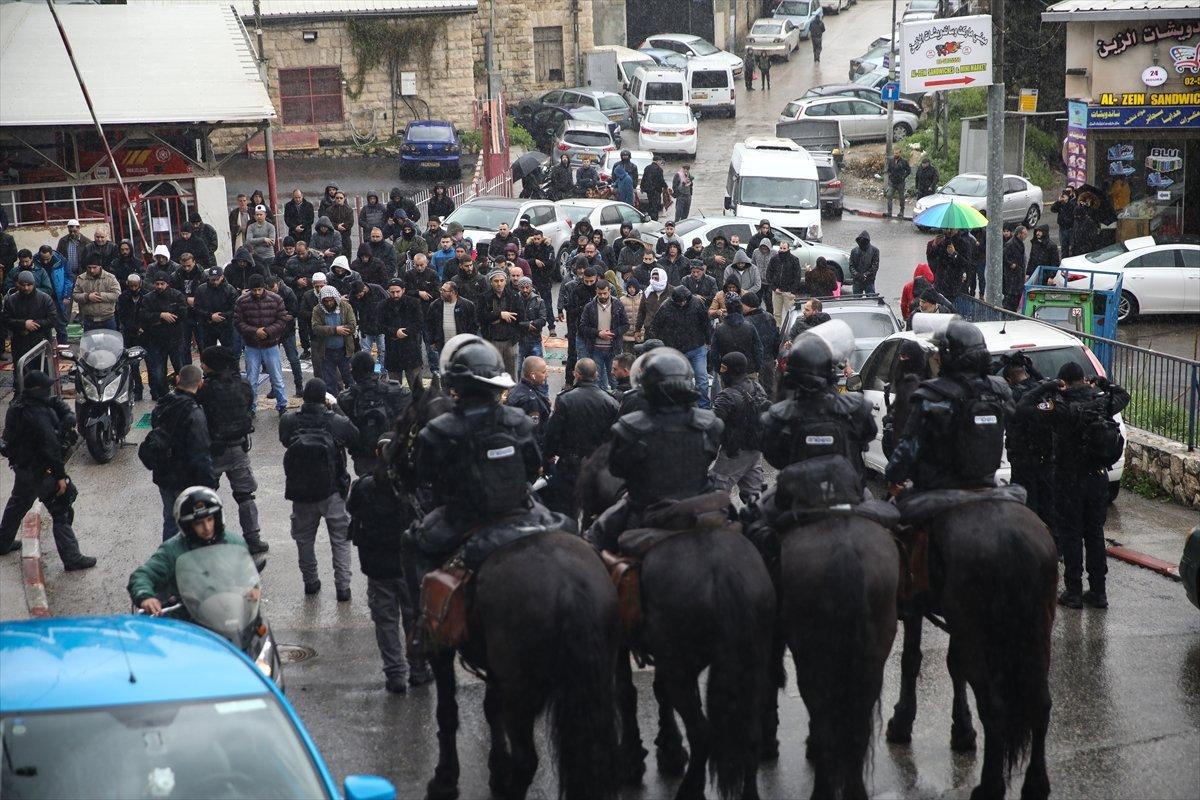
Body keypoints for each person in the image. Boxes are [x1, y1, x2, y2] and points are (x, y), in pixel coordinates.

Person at [589, 348, 724, 552]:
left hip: (646, 508)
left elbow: (617, 470)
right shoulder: (711, 424)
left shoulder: (629, 427)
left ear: (647, 387)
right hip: (700, 505)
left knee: (594, 538)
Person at [1022, 363, 1129, 609]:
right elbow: (1124, 395)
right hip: (1097, 478)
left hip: (1069, 480)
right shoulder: (1101, 402)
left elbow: (1025, 406)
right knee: (1094, 533)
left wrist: (1047, 386)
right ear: (1083, 379)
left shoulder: (1060, 407)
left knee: (1071, 534)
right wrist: (1102, 383)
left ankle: (1073, 592)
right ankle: (1099, 592)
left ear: (1064, 382)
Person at [885, 319, 1012, 494]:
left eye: (940, 352)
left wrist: (893, 476)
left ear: (949, 356)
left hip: (938, 491)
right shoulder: (999, 391)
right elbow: (1017, 430)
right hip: (988, 486)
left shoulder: (931, 396)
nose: (936, 357)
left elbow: (908, 447)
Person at [347, 434, 422, 692]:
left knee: (386, 620)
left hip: (377, 566)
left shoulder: (363, 485)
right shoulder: (411, 484)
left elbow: (352, 509)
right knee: (414, 617)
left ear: (377, 454)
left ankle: (395, 674)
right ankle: (418, 669)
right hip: (407, 565)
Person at [0, 371, 96, 568]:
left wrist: (65, 414)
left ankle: (3, 542)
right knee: (61, 509)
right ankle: (72, 558)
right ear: (37, 389)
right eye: (45, 387)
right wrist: (60, 476)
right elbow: (50, 447)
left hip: (22, 468)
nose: (48, 391)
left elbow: (54, 403)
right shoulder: (38, 414)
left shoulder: (17, 406)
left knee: (18, 504)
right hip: (41, 471)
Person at [762, 323, 877, 484]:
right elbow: (868, 434)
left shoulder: (777, 417)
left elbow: (775, 457)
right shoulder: (856, 409)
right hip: (846, 489)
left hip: (798, 491)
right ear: (830, 370)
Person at [280, 378, 360, 600]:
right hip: (332, 489)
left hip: (301, 491)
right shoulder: (334, 421)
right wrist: (335, 408)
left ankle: (310, 582)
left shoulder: (289, 420)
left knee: (304, 540)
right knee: (340, 539)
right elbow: (354, 436)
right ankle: (343, 587)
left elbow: (285, 440)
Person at [195, 346, 269, 554]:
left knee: (205, 498)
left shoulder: (206, 389)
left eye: (204, 363)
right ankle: (253, 539)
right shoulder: (242, 384)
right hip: (238, 448)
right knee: (245, 496)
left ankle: (207, 540)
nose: (202, 366)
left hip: (213, 451)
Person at [127, 486, 246, 615]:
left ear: (217, 518)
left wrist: (252, 590)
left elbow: (247, 575)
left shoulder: (235, 543)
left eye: (210, 519)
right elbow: (142, 575)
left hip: (227, 613)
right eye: (199, 523)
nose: (207, 528)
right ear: (188, 526)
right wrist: (145, 597)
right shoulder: (172, 550)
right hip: (187, 618)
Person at [148, 365, 218, 541]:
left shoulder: (162, 404)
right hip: (185, 477)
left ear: (178, 379)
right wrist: (209, 483)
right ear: (200, 384)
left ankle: (169, 554)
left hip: (163, 473)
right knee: (194, 523)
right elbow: (201, 452)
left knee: (170, 519)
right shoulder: (195, 413)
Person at [543, 358, 620, 517]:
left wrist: (548, 455)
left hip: (570, 463)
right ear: (596, 375)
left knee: (566, 508)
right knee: (593, 510)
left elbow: (553, 432)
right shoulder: (610, 402)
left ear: (576, 374)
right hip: (598, 464)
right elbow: (613, 437)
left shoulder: (565, 399)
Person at [1002, 352, 1056, 536]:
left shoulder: (1013, 395)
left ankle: (1029, 541)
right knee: (1048, 505)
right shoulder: (1043, 390)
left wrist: (1003, 365)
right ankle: (1054, 543)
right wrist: (1030, 367)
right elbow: (1043, 383)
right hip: (1045, 459)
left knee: (1025, 508)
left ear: (1009, 379)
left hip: (1023, 462)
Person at [338, 350, 411, 476]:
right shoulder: (395, 391)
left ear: (354, 371)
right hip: (390, 451)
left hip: (363, 457)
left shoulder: (346, 399)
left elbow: (343, 431)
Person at [710, 352, 769, 505]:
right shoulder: (757, 387)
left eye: (724, 368)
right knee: (755, 496)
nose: (721, 372)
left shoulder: (727, 396)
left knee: (714, 495)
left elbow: (712, 425)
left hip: (734, 452)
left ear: (733, 369)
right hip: (755, 449)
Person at [647, 285, 712, 409]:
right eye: (679, 301)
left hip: (697, 347)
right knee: (681, 381)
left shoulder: (697, 303)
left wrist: (708, 341)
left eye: (684, 301)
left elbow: (706, 323)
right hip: (676, 350)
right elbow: (655, 327)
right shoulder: (666, 307)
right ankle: (685, 406)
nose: (682, 303)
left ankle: (704, 407)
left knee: (702, 378)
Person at [235, 274, 289, 415]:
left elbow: (282, 320)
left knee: (276, 378)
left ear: (264, 287)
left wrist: (267, 331)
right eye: (254, 290)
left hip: (270, 344)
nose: (257, 292)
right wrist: (255, 331)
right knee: (251, 379)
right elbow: (238, 323)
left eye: (259, 289)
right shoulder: (242, 301)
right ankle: (251, 408)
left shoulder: (276, 299)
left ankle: (282, 405)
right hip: (252, 345)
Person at [139, 272, 189, 401]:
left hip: (175, 339)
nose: (160, 286)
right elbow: (143, 316)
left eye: (162, 284)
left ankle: (185, 396)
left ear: (168, 284)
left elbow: (182, 314)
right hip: (156, 340)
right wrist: (160, 315)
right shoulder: (148, 298)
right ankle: (162, 397)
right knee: (158, 372)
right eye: (157, 284)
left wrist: (162, 319)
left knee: (181, 369)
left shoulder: (177, 295)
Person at [881, 338, 928, 459]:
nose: (902, 360)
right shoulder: (903, 385)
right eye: (901, 356)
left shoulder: (916, 388)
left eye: (905, 357)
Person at [578, 280, 628, 390]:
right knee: (597, 379)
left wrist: (613, 333)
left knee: (614, 379)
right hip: (595, 349)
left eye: (605, 293)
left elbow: (625, 325)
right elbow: (582, 327)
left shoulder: (618, 305)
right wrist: (598, 333)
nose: (602, 296)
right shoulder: (589, 307)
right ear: (596, 291)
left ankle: (617, 398)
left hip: (613, 349)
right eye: (599, 294)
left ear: (609, 291)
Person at [479, 270, 525, 381]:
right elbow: (480, 317)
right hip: (492, 340)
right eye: (496, 281)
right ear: (491, 282)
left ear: (505, 281)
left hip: (510, 341)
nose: (499, 284)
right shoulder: (484, 297)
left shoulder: (514, 296)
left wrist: (496, 318)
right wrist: (499, 315)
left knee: (512, 375)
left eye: (501, 280)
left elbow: (520, 317)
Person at [378, 279, 425, 389]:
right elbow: (379, 325)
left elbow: (419, 323)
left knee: (416, 387)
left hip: (411, 347)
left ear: (403, 290)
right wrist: (395, 332)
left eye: (397, 292)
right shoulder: (383, 305)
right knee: (394, 388)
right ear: (388, 291)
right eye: (392, 292)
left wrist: (405, 332)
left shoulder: (413, 303)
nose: (395, 295)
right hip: (393, 349)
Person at [265, 274, 305, 398]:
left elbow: (294, 311)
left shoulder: (288, 292)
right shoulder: (265, 294)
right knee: (272, 361)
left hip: (287, 331)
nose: (272, 292)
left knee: (293, 359)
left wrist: (281, 316)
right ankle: (274, 387)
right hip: (273, 331)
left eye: (274, 289)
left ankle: (299, 386)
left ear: (277, 284)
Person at [311, 285, 358, 392]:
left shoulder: (345, 307)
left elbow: (352, 326)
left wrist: (329, 330)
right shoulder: (317, 310)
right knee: (330, 383)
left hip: (345, 351)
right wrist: (335, 330)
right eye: (326, 301)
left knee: (350, 380)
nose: (329, 303)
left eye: (331, 300)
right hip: (327, 352)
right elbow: (316, 328)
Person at [4, 271, 56, 365]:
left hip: (40, 341)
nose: (26, 288)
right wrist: (23, 324)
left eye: (29, 285)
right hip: (19, 343)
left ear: (34, 284)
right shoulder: (11, 300)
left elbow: (52, 319)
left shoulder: (45, 299)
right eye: (23, 285)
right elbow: (6, 320)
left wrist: (34, 325)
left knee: (41, 369)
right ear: (18, 284)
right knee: (21, 370)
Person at [507, 355, 552, 447]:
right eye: (543, 372)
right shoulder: (531, 401)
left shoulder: (516, 389)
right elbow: (534, 432)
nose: (547, 375)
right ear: (533, 375)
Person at [116, 274, 147, 400]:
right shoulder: (123, 297)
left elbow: (148, 313)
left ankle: (155, 390)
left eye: (136, 286)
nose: (134, 289)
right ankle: (137, 389)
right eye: (131, 286)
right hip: (130, 334)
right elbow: (122, 316)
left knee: (150, 363)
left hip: (145, 333)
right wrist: (135, 328)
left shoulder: (146, 296)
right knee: (133, 364)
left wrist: (143, 327)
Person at [426, 280, 478, 355]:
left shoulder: (467, 305)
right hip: (443, 346)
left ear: (453, 292)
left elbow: (473, 326)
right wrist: (432, 341)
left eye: (444, 291)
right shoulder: (435, 305)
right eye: (441, 289)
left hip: (461, 347)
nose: (441, 292)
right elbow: (430, 325)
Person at [71, 256, 121, 331]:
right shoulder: (81, 278)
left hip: (108, 319)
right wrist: (87, 296)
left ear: (100, 267)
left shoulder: (110, 278)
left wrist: (100, 296)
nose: (92, 270)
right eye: (89, 268)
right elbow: (75, 295)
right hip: (89, 319)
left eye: (94, 267)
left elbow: (117, 294)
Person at [766, 239, 802, 329]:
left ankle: (790, 330)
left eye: (784, 248)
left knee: (790, 313)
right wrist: (774, 288)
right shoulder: (774, 259)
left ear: (788, 249)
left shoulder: (794, 260)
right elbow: (769, 274)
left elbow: (797, 276)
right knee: (776, 313)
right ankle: (777, 329)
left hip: (788, 292)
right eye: (781, 248)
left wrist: (793, 291)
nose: (782, 250)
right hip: (776, 291)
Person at [349, 279, 388, 360]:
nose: (358, 297)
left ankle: (384, 367)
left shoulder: (377, 289)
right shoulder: (353, 295)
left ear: (364, 289)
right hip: (365, 327)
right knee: (365, 352)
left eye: (359, 295)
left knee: (383, 350)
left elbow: (388, 302)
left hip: (381, 327)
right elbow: (353, 311)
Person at [516, 276, 548, 364]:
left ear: (531, 287)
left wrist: (531, 323)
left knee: (537, 367)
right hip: (519, 340)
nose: (525, 290)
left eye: (527, 287)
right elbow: (513, 320)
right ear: (519, 288)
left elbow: (542, 320)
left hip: (535, 339)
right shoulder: (514, 300)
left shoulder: (539, 301)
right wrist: (527, 325)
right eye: (522, 287)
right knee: (518, 368)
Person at [1002, 225, 1028, 311]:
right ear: (1019, 234)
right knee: (1011, 298)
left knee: (1017, 296)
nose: (1026, 236)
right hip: (1012, 276)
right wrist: (1011, 264)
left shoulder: (1020, 243)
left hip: (1018, 274)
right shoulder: (1011, 244)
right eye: (1024, 234)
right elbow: (1004, 256)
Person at [246, 205, 277, 274]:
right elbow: (248, 241)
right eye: (257, 215)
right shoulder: (251, 227)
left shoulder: (270, 226)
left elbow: (272, 242)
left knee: (271, 277)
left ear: (265, 215)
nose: (259, 216)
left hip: (269, 257)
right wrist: (264, 239)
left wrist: (255, 241)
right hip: (256, 257)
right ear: (254, 216)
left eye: (261, 214)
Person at [848, 231, 880, 295]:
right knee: (856, 299)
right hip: (857, 280)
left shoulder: (875, 251)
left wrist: (865, 275)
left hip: (869, 281)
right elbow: (851, 265)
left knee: (871, 299)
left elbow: (875, 266)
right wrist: (857, 275)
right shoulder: (854, 251)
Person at [327, 191, 356, 257]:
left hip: (345, 237)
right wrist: (337, 226)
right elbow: (328, 222)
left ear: (344, 198)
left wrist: (342, 226)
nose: (339, 199)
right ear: (334, 198)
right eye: (337, 198)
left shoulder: (349, 210)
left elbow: (350, 222)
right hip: (333, 238)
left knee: (346, 257)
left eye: (341, 198)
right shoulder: (330, 210)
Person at [1049, 187, 1076, 256]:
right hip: (1062, 228)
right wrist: (1058, 201)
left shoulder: (1073, 202)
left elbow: (1073, 211)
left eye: (1069, 191)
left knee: (1073, 247)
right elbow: (1053, 209)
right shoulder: (1060, 203)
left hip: (1071, 228)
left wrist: (1067, 202)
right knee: (1064, 247)